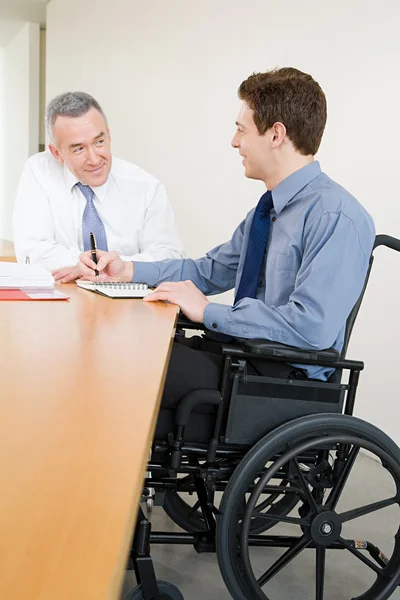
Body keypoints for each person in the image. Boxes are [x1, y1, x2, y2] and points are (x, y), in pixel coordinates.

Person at [77, 67, 375, 414]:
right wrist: (128, 270)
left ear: (276, 134)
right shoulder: (267, 211)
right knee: (120, 344)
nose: (235, 142)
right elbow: (209, 271)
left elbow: (311, 328)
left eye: (241, 129)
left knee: (128, 364)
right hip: (242, 358)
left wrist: (209, 312)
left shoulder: (335, 215)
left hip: (278, 381)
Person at [13, 91, 183, 280]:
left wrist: (112, 267)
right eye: (79, 149)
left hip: (135, 304)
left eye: (99, 142)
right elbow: (31, 251)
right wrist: (79, 262)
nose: (94, 159)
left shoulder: (145, 187)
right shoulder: (39, 172)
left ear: (109, 135)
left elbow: (170, 256)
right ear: (56, 153)